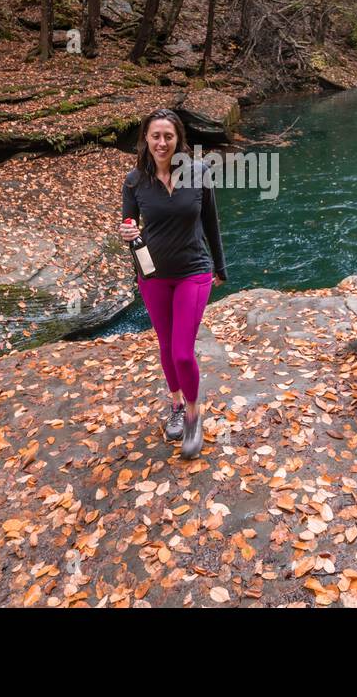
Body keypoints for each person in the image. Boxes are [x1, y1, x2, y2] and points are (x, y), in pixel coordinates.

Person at [119, 108, 227, 459]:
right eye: (155, 136)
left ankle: (194, 415)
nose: (162, 142)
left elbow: (211, 223)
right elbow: (129, 225)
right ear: (146, 140)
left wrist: (220, 267)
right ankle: (176, 405)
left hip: (194, 271)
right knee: (166, 346)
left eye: (168, 136)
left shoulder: (198, 173)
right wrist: (127, 231)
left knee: (183, 351)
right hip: (153, 276)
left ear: (178, 139)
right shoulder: (135, 181)